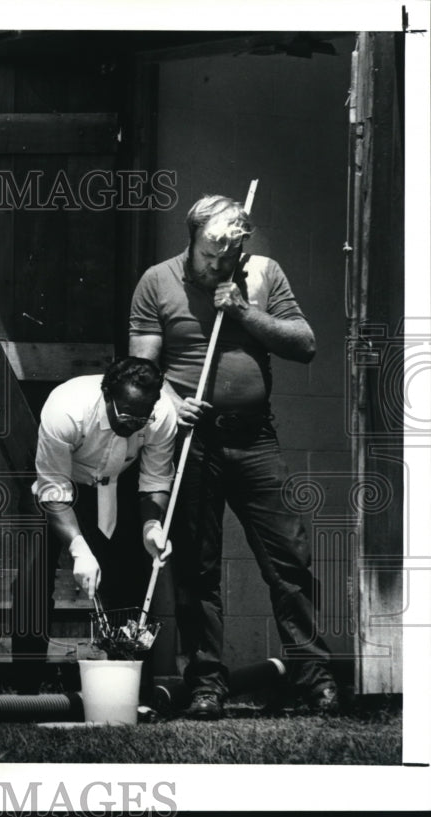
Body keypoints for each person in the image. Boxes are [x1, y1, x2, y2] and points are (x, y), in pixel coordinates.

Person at [129, 194, 339, 719]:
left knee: (289, 560)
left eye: (230, 256)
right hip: (193, 442)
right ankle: (206, 685)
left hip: (255, 440)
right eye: (210, 256)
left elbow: (305, 343)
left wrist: (244, 310)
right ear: (192, 239)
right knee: (198, 570)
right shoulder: (157, 282)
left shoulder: (262, 274)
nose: (220, 265)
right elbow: (140, 374)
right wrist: (175, 402)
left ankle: (315, 679)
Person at [11, 357, 177, 667]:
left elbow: (154, 479)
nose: (134, 424)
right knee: (33, 583)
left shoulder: (161, 413)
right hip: (56, 482)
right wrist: (78, 548)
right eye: (126, 414)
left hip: (114, 485)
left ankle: (130, 688)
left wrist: (152, 526)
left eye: (143, 418)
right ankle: (25, 688)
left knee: (127, 581)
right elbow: (54, 489)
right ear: (107, 395)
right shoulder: (66, 408)